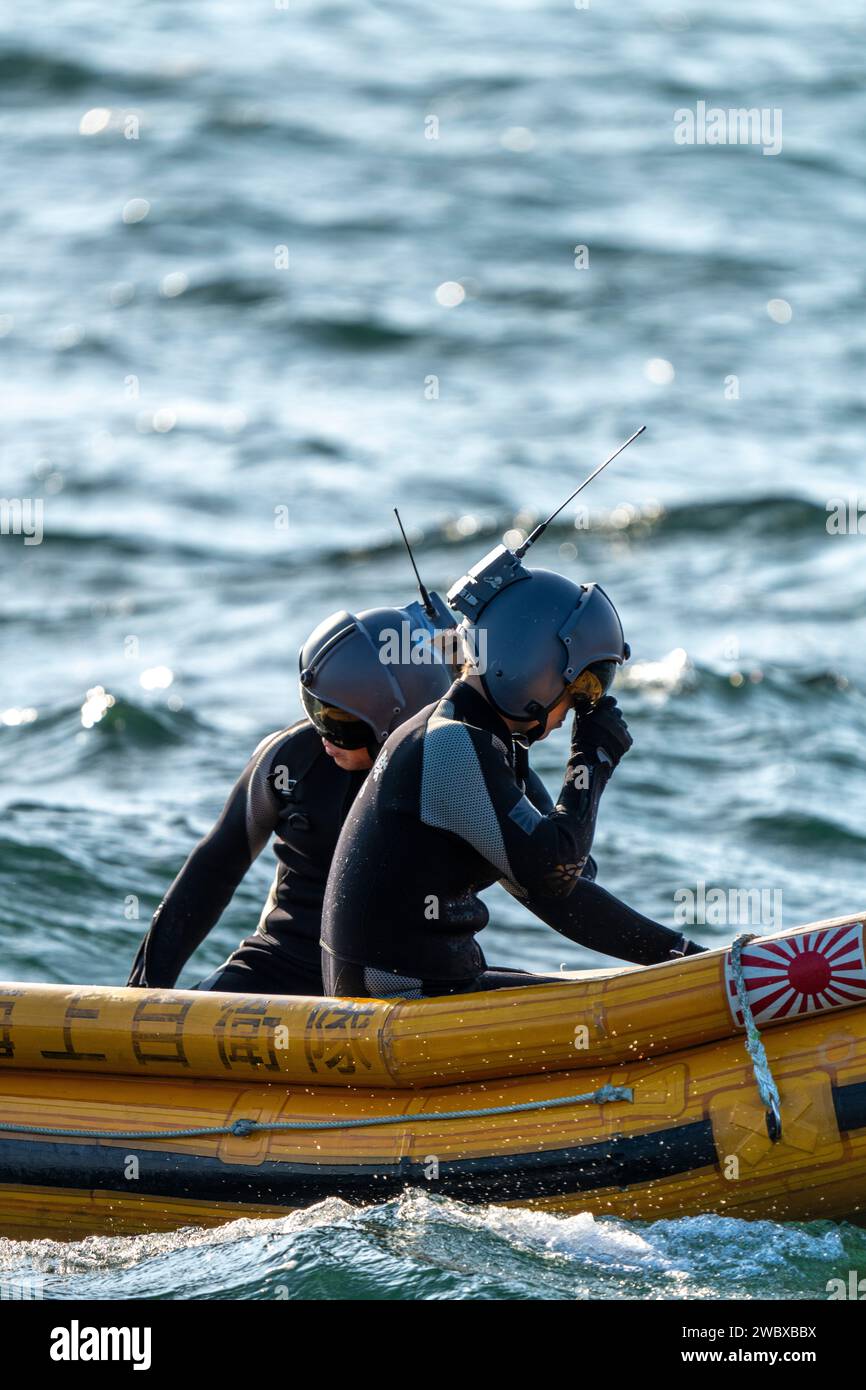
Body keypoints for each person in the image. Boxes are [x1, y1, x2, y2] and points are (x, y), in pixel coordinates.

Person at [321, 542, 705, 998]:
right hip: (394, 1001)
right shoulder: (450, 745)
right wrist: (592, 759)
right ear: (534, 662)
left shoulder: (475, 739)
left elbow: (566, 889)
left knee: (627, 991)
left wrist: (687, 958)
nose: (587, 703)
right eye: (585, 683)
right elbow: (554, 874)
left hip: (421, 985)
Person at [126, 595, 453, 994]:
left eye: (341, 724)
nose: (324, 735)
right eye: (316, 709)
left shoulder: (455, 772)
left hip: (410, 980)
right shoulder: (290, 758)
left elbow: (538, 865)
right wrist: (143, 995)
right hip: (278, 966)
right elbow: (215, 867)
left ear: (399, 720)